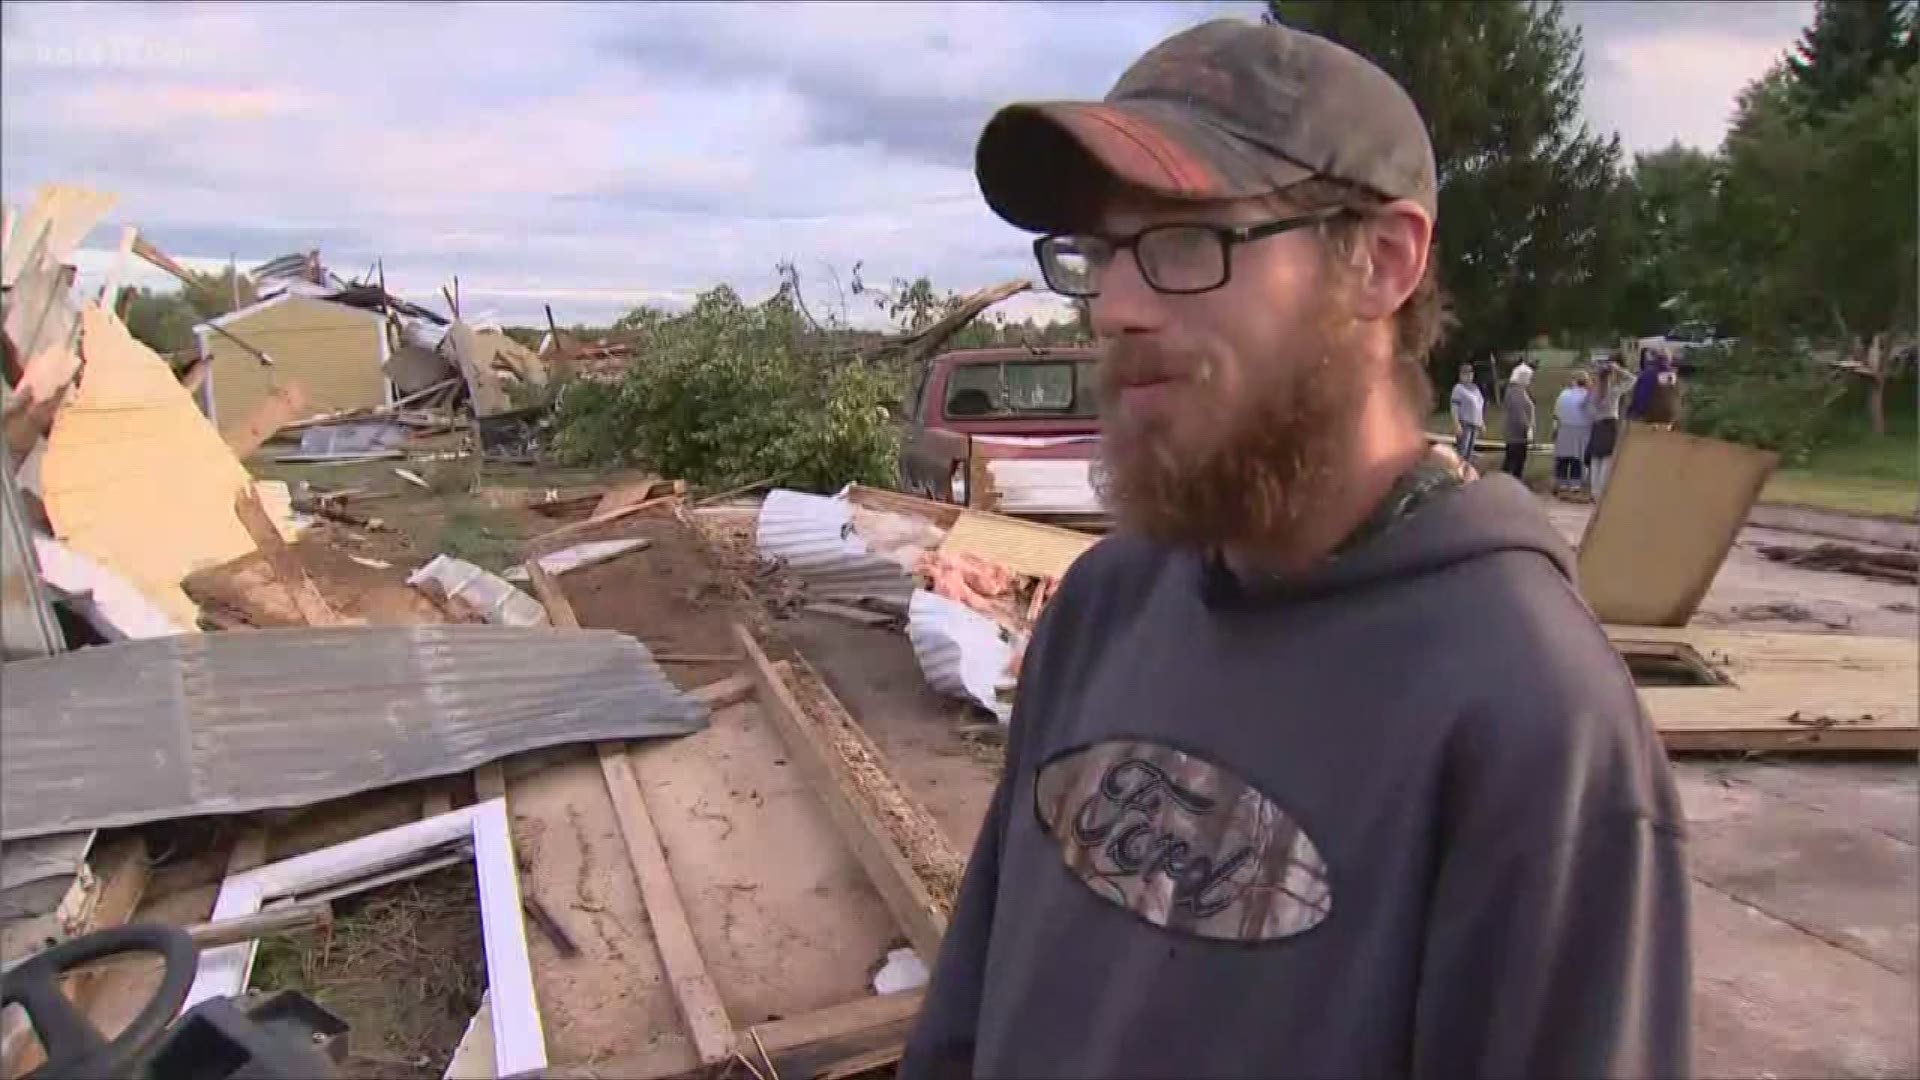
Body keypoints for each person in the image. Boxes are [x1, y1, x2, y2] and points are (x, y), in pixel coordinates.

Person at [904, 18, 1690, 1080]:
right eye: (1099, 253)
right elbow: (966, 1023)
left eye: (1184, 242)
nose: (1119, 307)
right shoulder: (1106, 607)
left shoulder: (1531, 722)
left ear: (1381, 261)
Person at [1586, 352, 1634, 499]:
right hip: (1609, 423)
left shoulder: (1594, 393)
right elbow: (1632, 380)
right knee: (1606, 458)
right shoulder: (1613, 392)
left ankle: (1594, 491)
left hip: (1596, 424)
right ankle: (1602, 491)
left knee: (1595, 459)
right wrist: (1618, 369)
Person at [1552, 372, 1592, 497]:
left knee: (1563, 457)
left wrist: (1555, 429)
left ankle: (1562, 483)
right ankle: (1575, 484)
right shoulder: (1587, 395)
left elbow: (1556, 414)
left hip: (1564, 427)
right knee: (1577, 457)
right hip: (1581, 429)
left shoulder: (1564, 394)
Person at [1502, 362, 1536, 479]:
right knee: (1514, 462)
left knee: (1514, 461)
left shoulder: (1517, 390)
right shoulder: (1515, 392)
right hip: (1517, 434)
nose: (1529, 380)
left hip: (1517, 434)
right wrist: (1528, 429)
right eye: (1528, 378)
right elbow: (1519, 414)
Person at [1449, 363, 1484, 463]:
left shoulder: (1475, 389)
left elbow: (1479, 406)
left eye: (1470, 374)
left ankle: (1467, 474)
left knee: (1470, 453)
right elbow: (1454, 407)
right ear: (1460, 375)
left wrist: (1481, 422)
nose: (1468, 377)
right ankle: (1459, 473)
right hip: (1464, 423)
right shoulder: (1458, 389)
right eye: (1465, 374)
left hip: (1475, 424)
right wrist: (1457, 424)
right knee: (1462, 452)